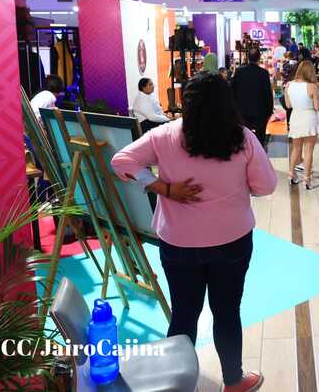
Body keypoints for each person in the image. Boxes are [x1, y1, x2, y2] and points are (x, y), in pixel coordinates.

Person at [111, 73, 276, 392]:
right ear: (227, 101)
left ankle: (174, 385)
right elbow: (266, 186)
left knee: (184, 313)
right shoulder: (242, 138)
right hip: (232, 240)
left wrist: (164, 188)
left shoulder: (165, 135)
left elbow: (122, 161)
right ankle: (233, 380)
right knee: (227, 312)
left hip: (178, 242)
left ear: (186, 102)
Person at [284, 60, 319, 190]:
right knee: (308, 151)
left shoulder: (289, 85)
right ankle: (307, 179)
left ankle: (291, 174)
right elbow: (317, 107)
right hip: (309, 119)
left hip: (295, 118)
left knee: (296, 149)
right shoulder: (312, 87)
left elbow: (288, 105)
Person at [231, 48, 274, 146]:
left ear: (247, 57)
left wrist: (234, 109)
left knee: (243, 139)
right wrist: (269, 110)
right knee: (259, 139)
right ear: (259, 58)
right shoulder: (263, 73)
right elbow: (267, 93)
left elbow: (233, 91)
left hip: (242, 111)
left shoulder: (239, 71)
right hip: (260, 112)